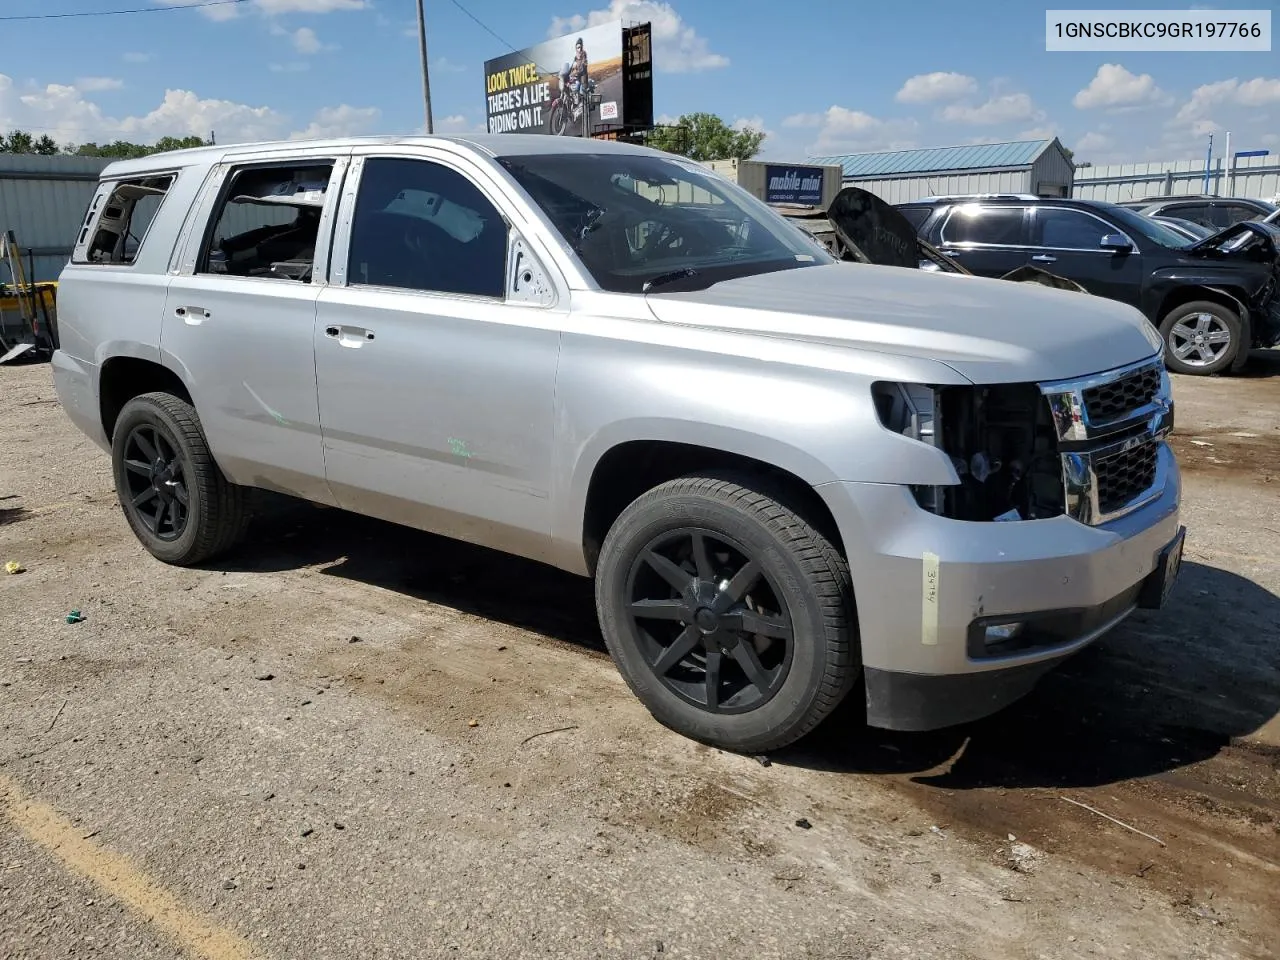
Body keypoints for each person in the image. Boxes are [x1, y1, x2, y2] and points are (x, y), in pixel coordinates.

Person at [559, 37, 589, 120]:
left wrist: (576, 73)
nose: (578, 49)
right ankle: (574, 106)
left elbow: (583, 66)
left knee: (581, 92)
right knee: (573, 91)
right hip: (577, 77)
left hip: (583, 77)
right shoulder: (575, 57)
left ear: (582, 47)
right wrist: (567, 74)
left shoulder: (584, 54)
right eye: (577, 47)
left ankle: (584, 109)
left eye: (580, 47)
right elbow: (572, 66)